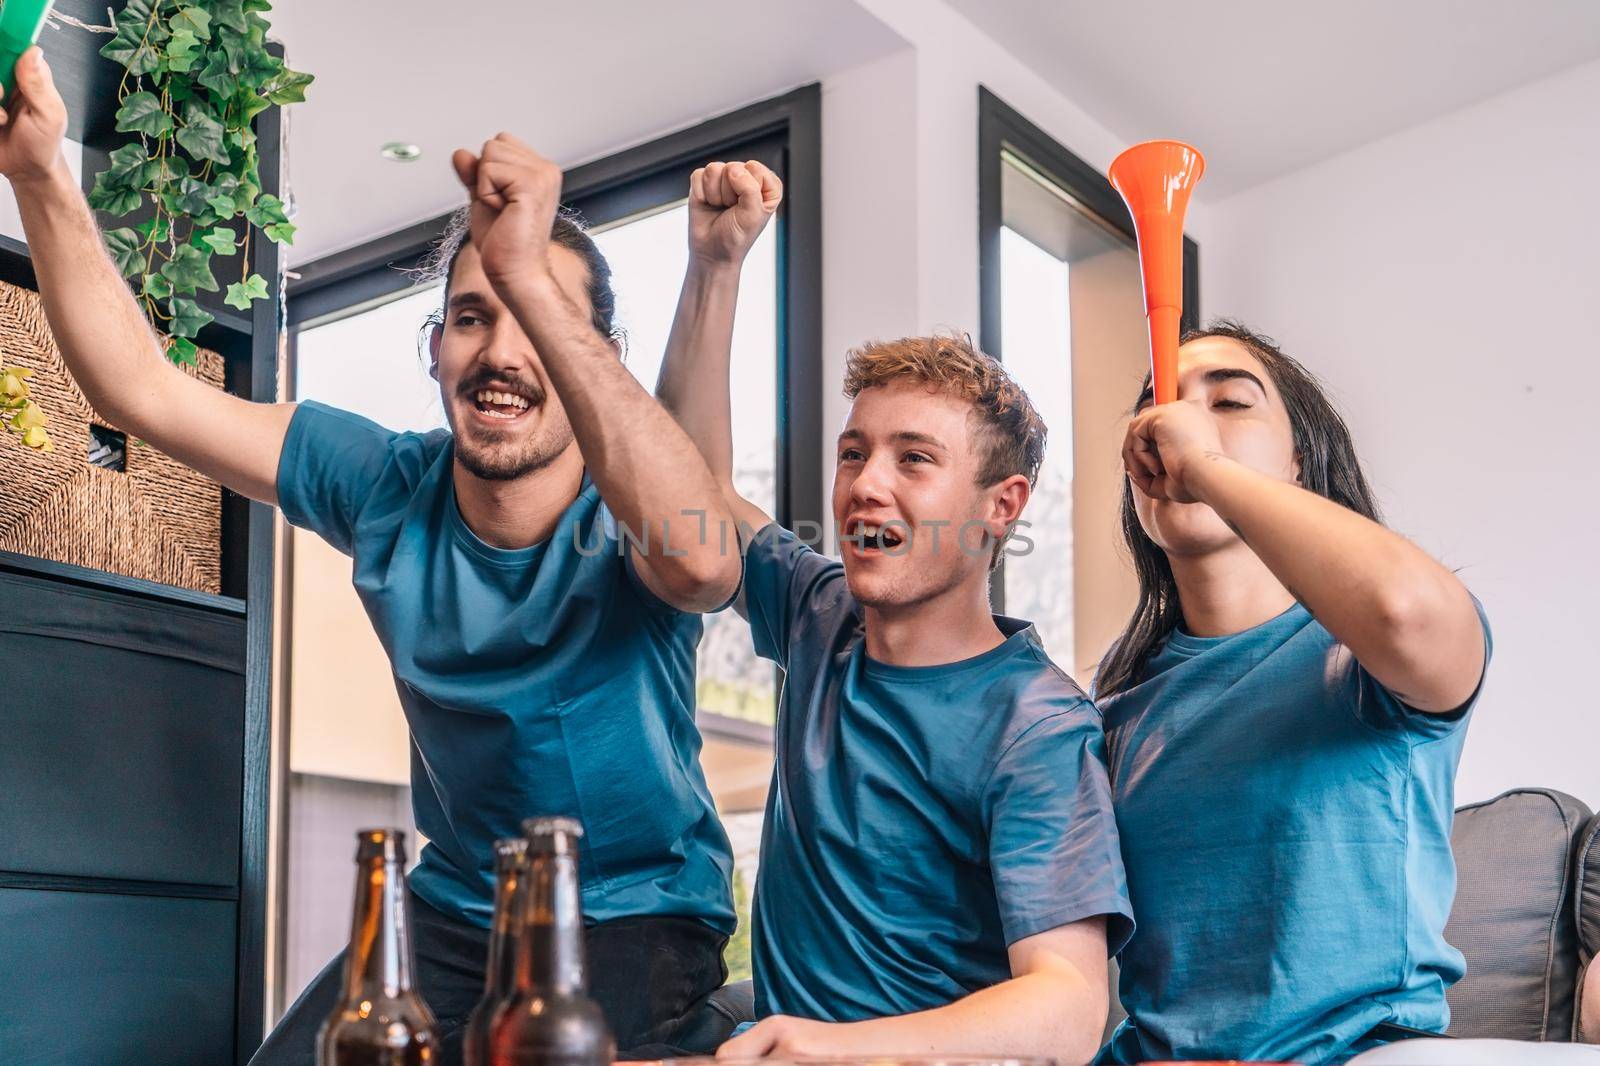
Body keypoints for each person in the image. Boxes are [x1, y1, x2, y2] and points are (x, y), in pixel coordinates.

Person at [0, 47, 743, 1063]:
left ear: (588, 358)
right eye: (472, 317)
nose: (500, 350)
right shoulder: (385, 481)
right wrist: (40, 170)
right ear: (436, 348)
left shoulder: (633, 506)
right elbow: (142, 391)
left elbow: (703, 565)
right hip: (454, 906)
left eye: (537, 319)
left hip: (634, 914)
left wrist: (691, 269)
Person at [657, 160, 1133, 1065]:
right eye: (853, 452)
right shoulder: (819, 609)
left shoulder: (1036, 727)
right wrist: (714, 269)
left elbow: (1069, 1009)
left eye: (914, 459)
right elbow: (691, 498)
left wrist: (838, 1049)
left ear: (1003, 505)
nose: (864, 485)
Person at [1093, 322, 1492, 1065]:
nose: (1172, 428)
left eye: (1231, 404)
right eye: (1159, 411)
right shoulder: (1115, 711)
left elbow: (1408, 610)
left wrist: (1206, 466)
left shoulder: (1360, 655)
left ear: (1299, 463)